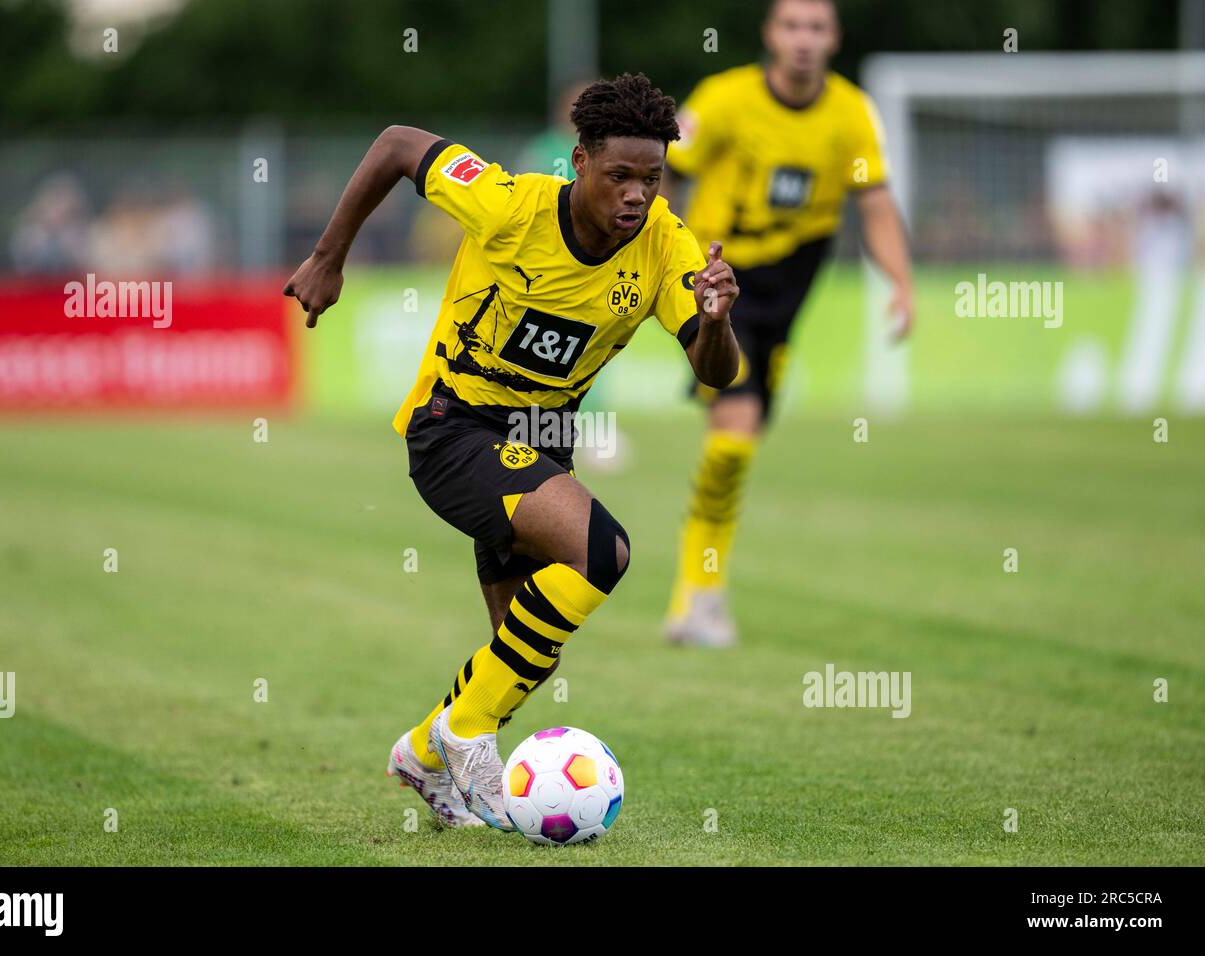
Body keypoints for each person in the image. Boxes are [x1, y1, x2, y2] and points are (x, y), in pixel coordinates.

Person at [282, 73, 740, 829]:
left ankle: (423, 759)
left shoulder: (667, 244)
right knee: (604, 552)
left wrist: (718, 320)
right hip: (453, 428)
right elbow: (398, 144)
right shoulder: (509, 203)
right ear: (581, 162)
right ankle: (464, 732)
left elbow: (715, 370)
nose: (636, 195)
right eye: (620, 175)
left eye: (651, 179)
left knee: (525, 649)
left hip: (543, 443)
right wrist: (330, 256)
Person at [663, 0, 914, 647]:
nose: (804, 39)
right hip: (721, 281)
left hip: (789, 290)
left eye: (817, 27)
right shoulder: (724, 100)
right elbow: (664, 172)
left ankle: (698, 596)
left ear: (833, 39)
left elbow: (876, 202)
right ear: (771, 35)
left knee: (743, 440)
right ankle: (699, 598)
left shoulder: (851, 113)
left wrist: (902, 282)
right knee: (735, 432)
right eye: (792, 26)